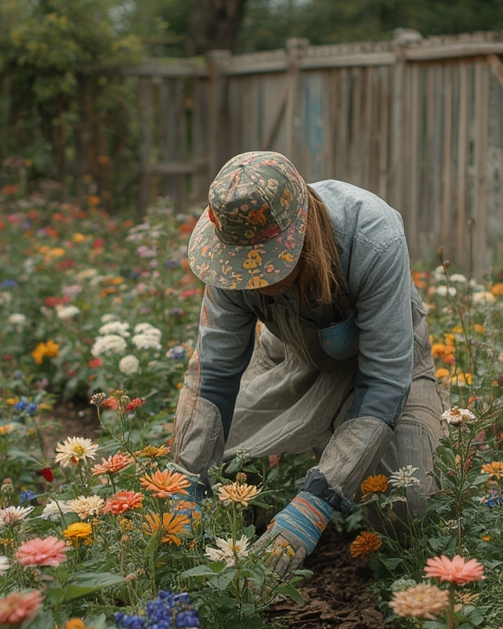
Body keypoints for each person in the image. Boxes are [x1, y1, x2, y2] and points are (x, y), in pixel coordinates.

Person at [172, 150, 442, 577]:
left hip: (386, 370)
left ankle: (356, 456)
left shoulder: (371, 238)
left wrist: (315, 504)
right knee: (224, 470)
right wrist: (186, 481)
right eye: (240, 265)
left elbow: (386, 380)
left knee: (410, 505)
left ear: (303, 229)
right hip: (291, 359)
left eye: (263, 262)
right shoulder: (232, 260)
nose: (251, 276)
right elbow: (215, 375)